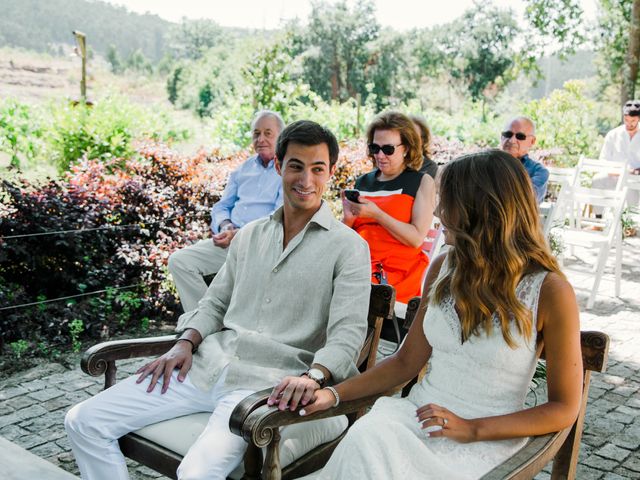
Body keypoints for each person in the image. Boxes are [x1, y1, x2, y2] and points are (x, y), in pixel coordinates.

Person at [64, 120, 372, 480]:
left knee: (196, 473)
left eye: (317, 168)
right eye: (296, 166)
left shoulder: (349, 248)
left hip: (266, 387)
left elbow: (348, 333)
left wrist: (316, 375)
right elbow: (214, 303)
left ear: (331, 172)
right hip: (205, 368)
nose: (306, 180)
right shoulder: (250, 236)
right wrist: (185, 341)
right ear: (278, 166)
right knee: (84, 420)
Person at [297, 149, 583, 479]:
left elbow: (563, 407)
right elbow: (405, 362)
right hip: (412, 422)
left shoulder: (549, 291)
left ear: (483, 209)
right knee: (367, 437)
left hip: (484, 441)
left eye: (447, 201)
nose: (437, 211)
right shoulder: (443, 268)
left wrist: (470, 429)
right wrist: (332, 394)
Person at [168, 110, 284, 312]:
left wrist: (240, 234)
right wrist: (225, 225)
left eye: (268, 133)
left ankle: (216, 323)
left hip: (262, 245)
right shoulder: (243, 169)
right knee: (180, 261)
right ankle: (204, 322)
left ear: (281, 137)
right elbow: (222, 206)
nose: (261, 139)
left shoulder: (286, 169)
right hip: (230, 241)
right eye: (256, 133)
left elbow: (278, 216)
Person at [342, 111, 436, 304]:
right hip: (358, 267)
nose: (380, 155)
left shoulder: (420, 181)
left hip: (396, 276)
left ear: (406, 148)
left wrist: (377, 214)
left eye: (388, 149)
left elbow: (416, 238)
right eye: (375, 148)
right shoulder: (363, 181)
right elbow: (345, 235)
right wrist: (348, 218)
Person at [595, 99, 640, 206]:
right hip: (613, 174)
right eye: (626, 120)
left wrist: (634, 171)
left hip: (636, 178)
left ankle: (629, 220)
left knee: (630, 189)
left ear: (639, 119)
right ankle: (598, 218)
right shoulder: (613, 134)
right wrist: (616, 171)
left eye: (633, 121)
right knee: (597, 180)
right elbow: (603, 160)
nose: (629, 124)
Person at [500, 116, 549, 203]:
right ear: (501, 137)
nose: (512, 140)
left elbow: (526, 201)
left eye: (520, 136)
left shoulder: (538, 171)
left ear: (532, 141)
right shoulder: (485, 163)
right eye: (508, 134)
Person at [410, 114, 438, 179]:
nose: (409, 140)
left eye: (414, 137)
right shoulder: (394, 165)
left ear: (423, 140)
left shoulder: (430, 168)